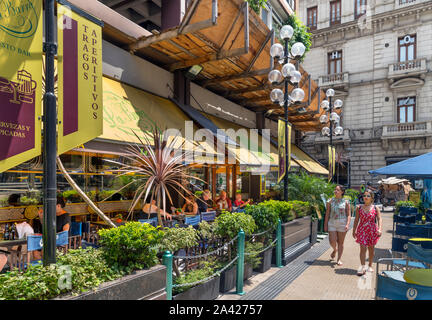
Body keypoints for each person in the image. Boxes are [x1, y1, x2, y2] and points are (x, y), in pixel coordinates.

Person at [352, 190, 382, 275]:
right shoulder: (359, 208)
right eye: (364, 196)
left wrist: (379, 229)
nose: (365, 197)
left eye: (368, 196)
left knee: (371, 249)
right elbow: (356, 220)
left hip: (372, 230)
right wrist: (354, 231)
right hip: (362, 230)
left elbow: (379, 219)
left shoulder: (375, 208)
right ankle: (362, 267)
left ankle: (370, 265)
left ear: (372, 198)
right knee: (363, 248)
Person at [324, 185, 351, 266]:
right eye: (335, 189)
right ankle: (334, 249)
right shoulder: (330, 201)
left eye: (338, 190)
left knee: (340, 242)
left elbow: (348, 214)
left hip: (342, 223)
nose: (335, 191)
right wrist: (325, 224)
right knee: (332, 241)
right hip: (332, 222)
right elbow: (327, 213)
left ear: (342, 192)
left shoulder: (346, 202)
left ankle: (339, 259)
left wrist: (347, 224)